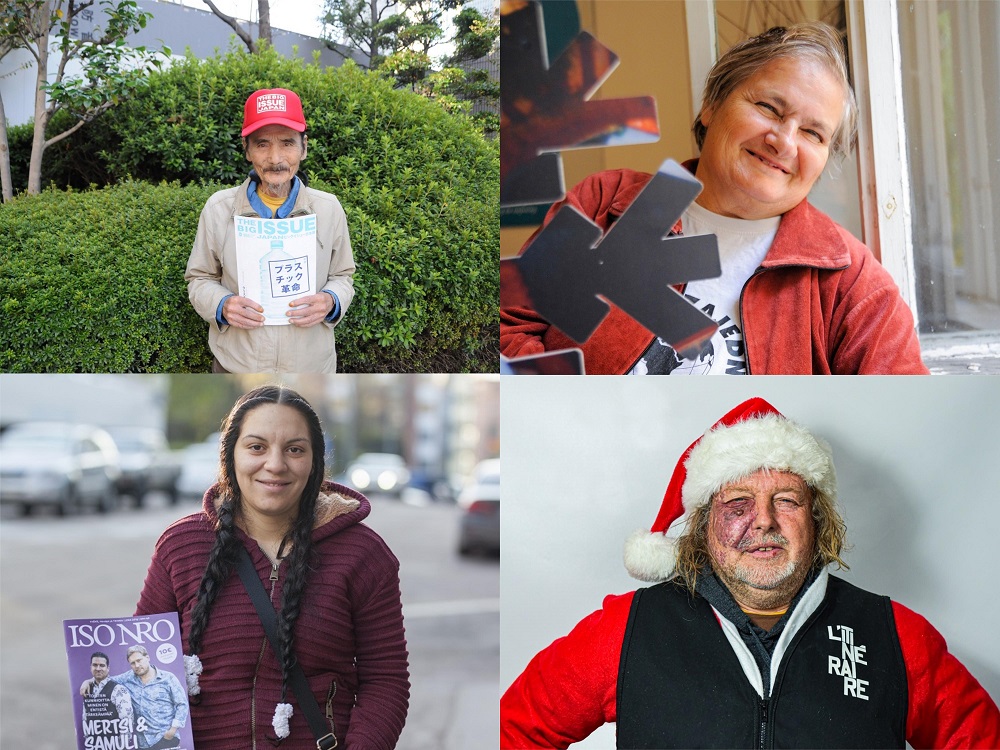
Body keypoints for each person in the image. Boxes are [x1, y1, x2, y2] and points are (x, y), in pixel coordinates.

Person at [500, 397, 1000, 748]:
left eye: (786, 500)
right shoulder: (626, 631)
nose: (763, 520)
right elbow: (515, 730)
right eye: (737, 503)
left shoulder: (897, 637)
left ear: (816, 520)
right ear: (701, 525)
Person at [500, 23, 929, 375]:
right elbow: (510, 328)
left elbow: (900, 417)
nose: (783, 141)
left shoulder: (853, 282)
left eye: (813, 133)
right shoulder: (605, 201)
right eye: (769, 108)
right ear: (711, 104)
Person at [134, 385, 409, 748]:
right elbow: (140, 663)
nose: (275, 464)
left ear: (315, 462)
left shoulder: (363, 555)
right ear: (230, 455)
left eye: (295, 449)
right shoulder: (181, 545)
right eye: (256, 447)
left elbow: (386, 681)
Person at [186, 88, 356, 373]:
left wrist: (331, 300)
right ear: (247, 149)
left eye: (287, 143)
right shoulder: (219, 209)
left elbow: (343, 275)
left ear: (304, 147)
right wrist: (222, 305)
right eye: (262, 144)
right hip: (237, 368)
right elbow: (199, 277)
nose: (275, 158)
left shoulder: (328, 209)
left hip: (311, 370)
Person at [82, 651, 136, 744]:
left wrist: (122, 745)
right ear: (91, 667)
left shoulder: (118, 689)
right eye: (95, 665)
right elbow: (85, 718)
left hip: (114, 745)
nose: (98, 668)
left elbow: (127, 720)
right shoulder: (86, 688)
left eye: (102, 665)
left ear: (108, 668)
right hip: (95, 744)